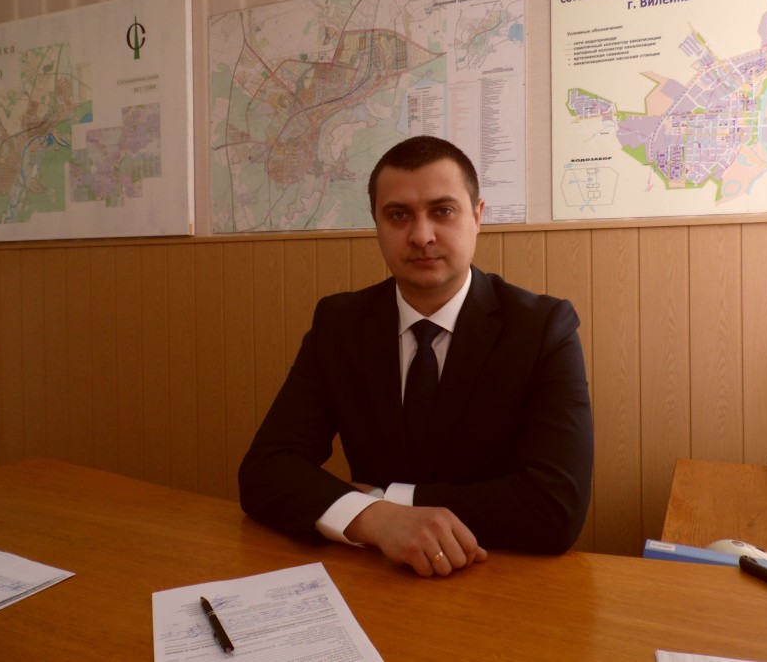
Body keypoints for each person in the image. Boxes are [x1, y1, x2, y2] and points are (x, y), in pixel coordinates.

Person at [238, 135, 593, 577]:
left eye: (442, 211)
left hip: (498, 577)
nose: (422, 235)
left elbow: (556, 507)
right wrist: (375, 520)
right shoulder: (340, 325)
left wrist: (386, 500)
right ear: (377, 224)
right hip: (376, 575)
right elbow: (265, 470)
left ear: (477, 216)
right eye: (398, 215)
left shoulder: (543, 328)